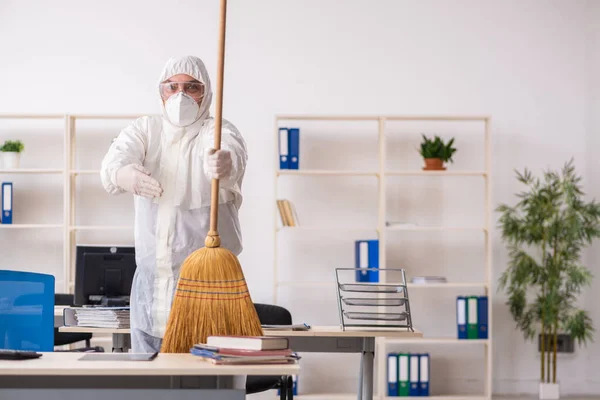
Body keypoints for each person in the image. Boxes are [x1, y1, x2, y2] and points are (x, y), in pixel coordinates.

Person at [100, 55, 248, 353]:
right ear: (161, 92)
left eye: (192, 87)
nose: (181, 95)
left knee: (208, 386)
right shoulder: (146, 130)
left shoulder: (217, 129)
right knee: (149, 388)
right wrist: (123, 173)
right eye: (172, 87)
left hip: (208, 287)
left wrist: (225, 162)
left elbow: (230, 150)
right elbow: (114, 163)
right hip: (150, 289)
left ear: (205, 94)